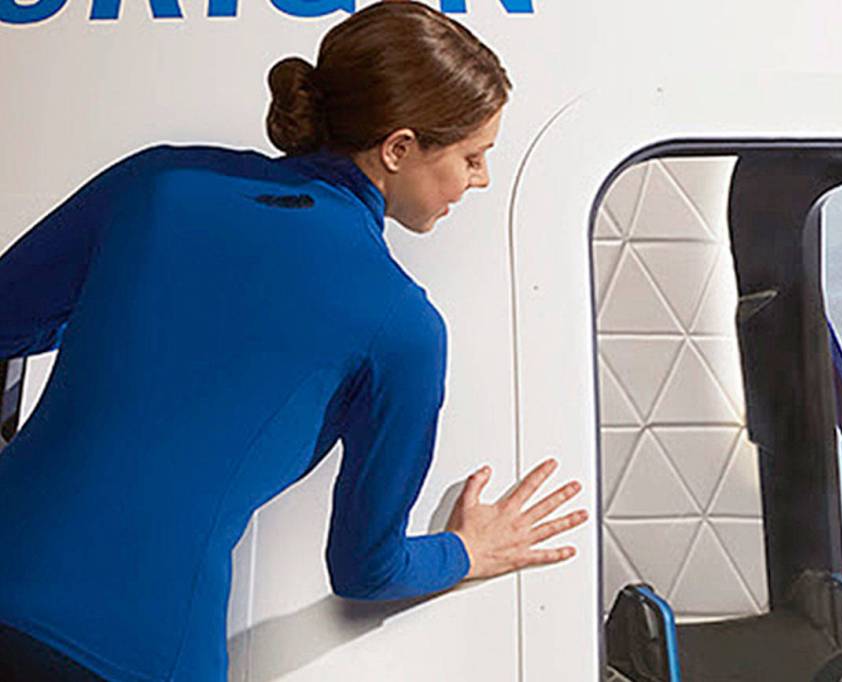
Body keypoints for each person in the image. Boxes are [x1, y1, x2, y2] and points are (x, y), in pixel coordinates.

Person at [0, 2, 589, 680]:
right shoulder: (403, 325)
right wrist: (466, 551)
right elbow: (366, 568)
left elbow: (9, 317)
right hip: (134, 654)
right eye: (472, 157)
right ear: (398, 148)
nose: (480, 179)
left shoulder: (159, 180)